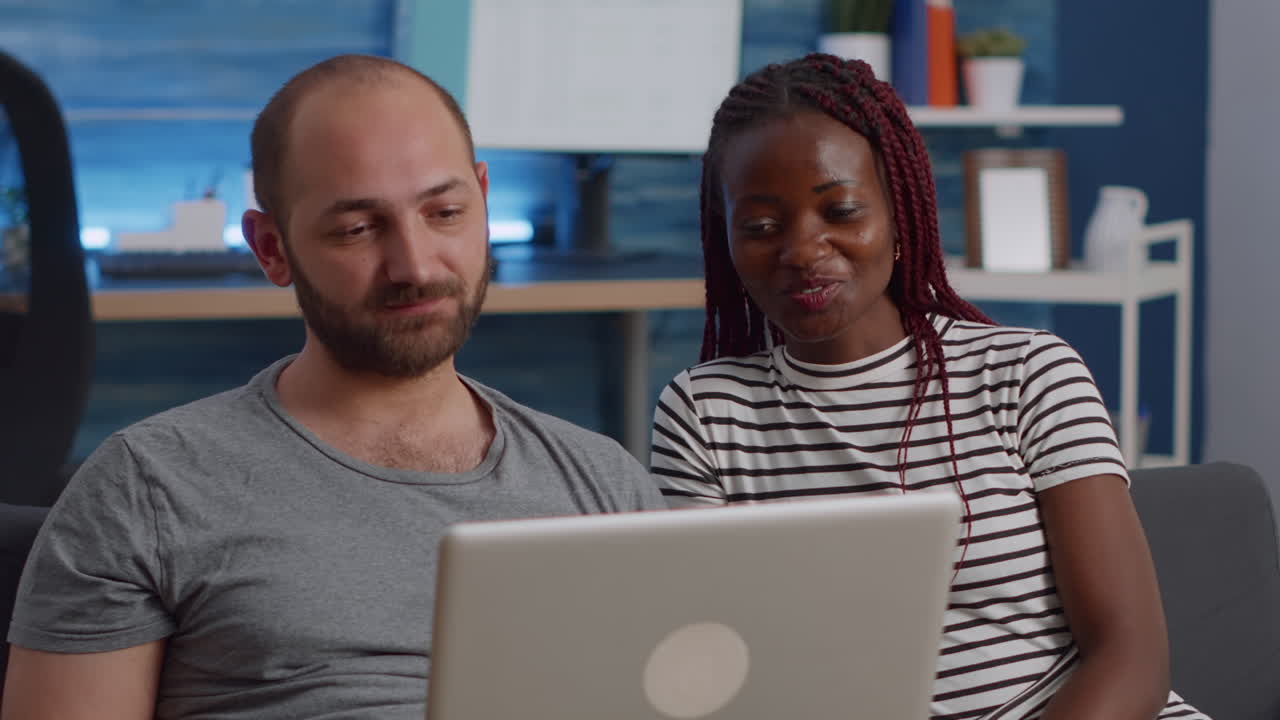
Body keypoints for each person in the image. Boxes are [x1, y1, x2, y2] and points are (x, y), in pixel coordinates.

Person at [3, 54, 664, 720]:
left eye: (444, 212)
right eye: (357, 230)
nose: (414, 266)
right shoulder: (146, 489)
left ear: (484, 200)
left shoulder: (604, 487)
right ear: (272, 248)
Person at [650, 54, 1208, 720]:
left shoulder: (1027, 373)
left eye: (841, 210)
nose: (802, 250)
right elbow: (714, 665)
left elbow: (1132, 657)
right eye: (762, 228)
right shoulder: (705, 414)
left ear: (899, 214)